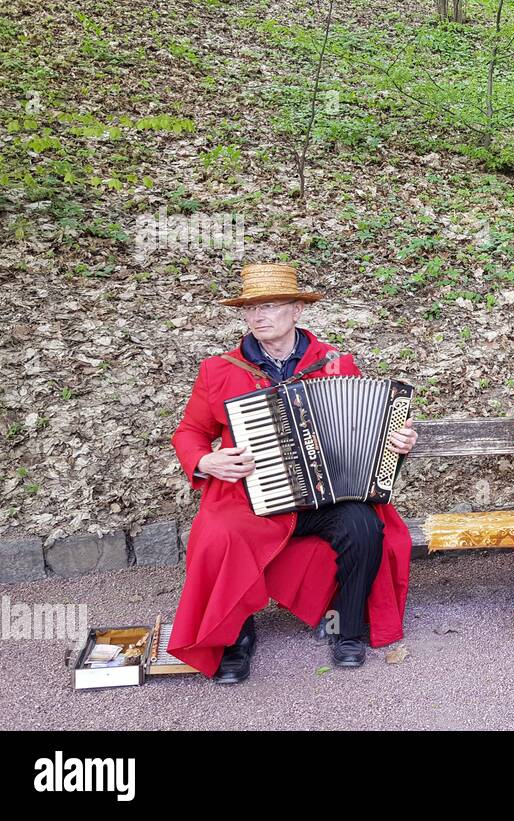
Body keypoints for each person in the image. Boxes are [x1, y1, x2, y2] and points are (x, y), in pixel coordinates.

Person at [169, 263, 417, 683]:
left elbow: (364, 429)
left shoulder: (335, 363)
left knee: (363, 526)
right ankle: (233, 637)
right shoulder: (220, 370)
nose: (257, 316)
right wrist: (204, 461)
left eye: (268, 306)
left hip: (323, 496)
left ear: (297, 310)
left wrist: (396, 440)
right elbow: (191, 432)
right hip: (250, 497)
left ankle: (347, 629)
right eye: (250, 309)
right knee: (217, 534)